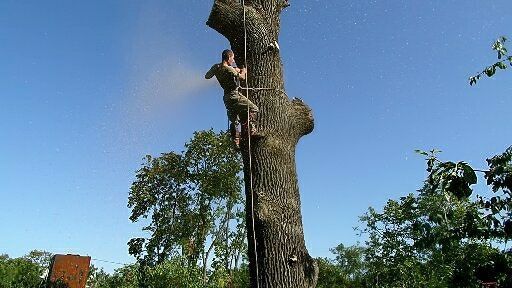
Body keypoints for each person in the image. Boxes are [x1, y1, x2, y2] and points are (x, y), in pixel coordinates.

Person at [205, 49, 259, 148]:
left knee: (234, 121)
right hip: (234, 95)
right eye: (232, 58)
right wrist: (244, 71)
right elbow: (242, 77)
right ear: (229, 57)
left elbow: (207, 76)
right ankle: (251, 129)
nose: (233, 61)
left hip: (226, 98)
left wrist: (219, 69)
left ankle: (236, 141)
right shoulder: (228, 69)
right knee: (254, 109)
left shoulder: (217, 67)